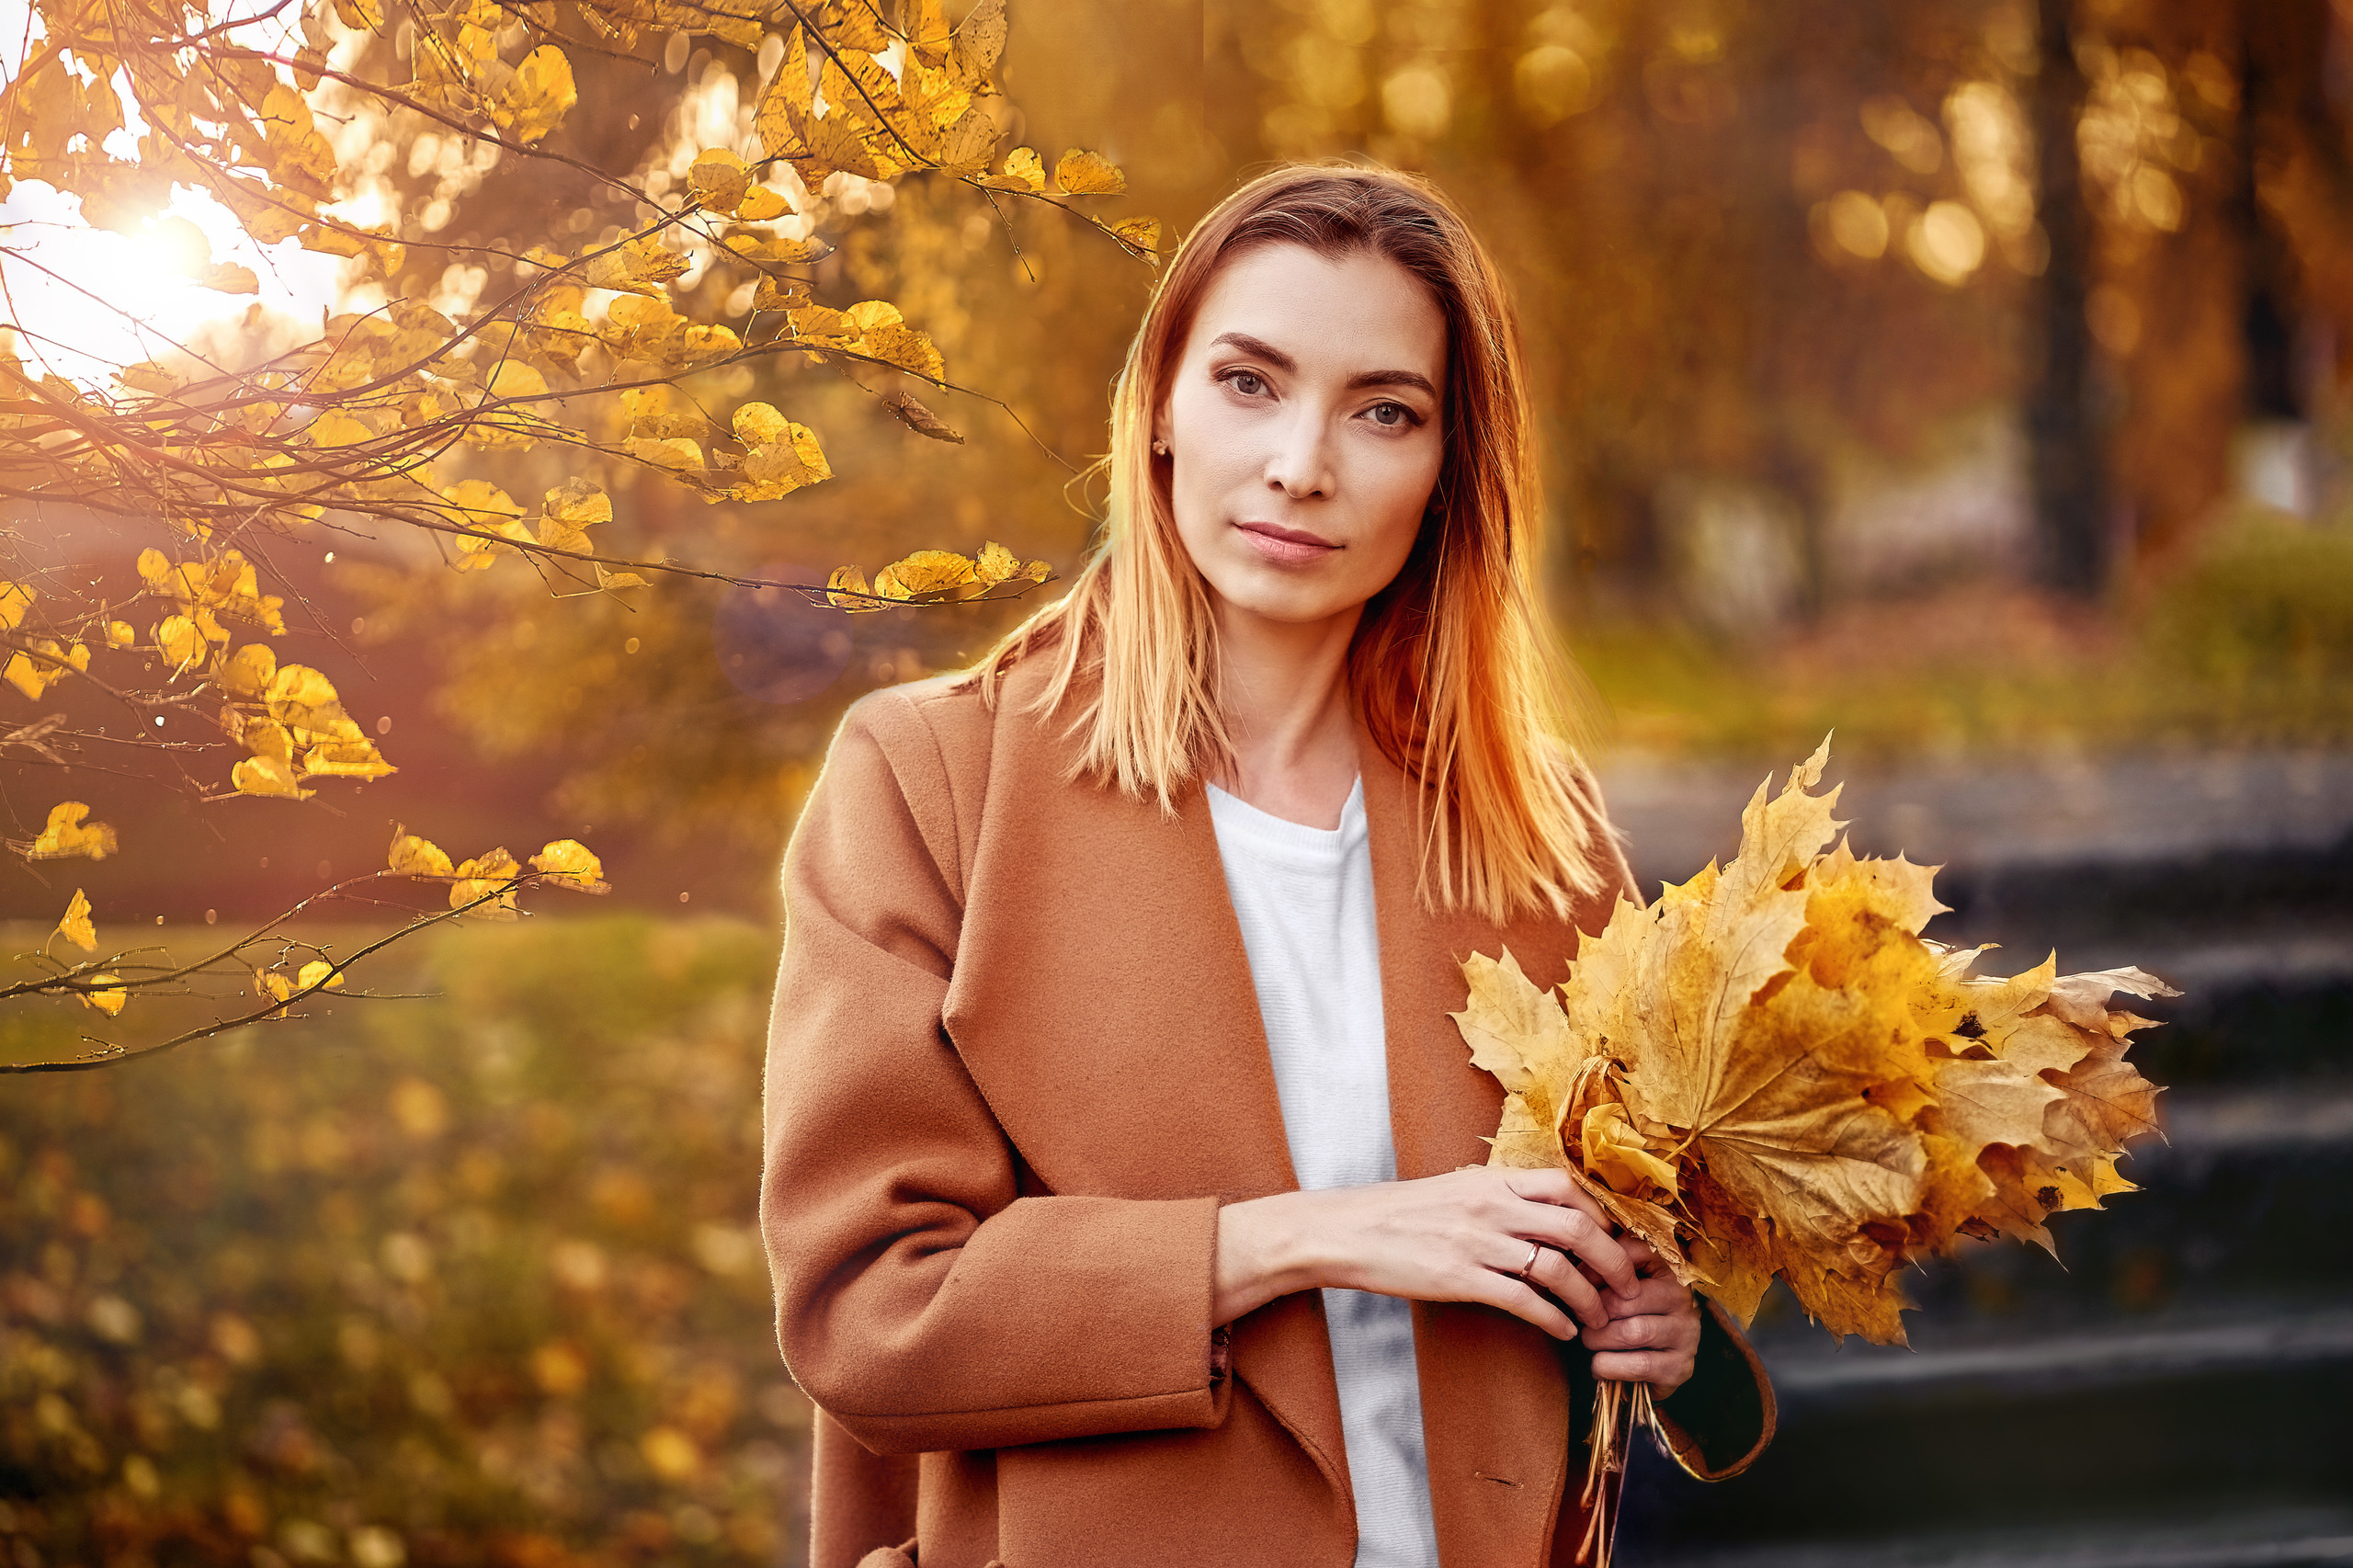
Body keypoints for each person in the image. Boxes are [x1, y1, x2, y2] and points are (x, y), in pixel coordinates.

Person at [760, 162, 1774, 1568]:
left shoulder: (1537, 831)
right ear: (1160, 411)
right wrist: (1313, 1237)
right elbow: (869, 1310)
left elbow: (1644, 1243)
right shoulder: (932, 782)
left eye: (1384, 411)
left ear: (1445, 471)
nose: (1305, 461)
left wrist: (1662, 1324)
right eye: (1250, 382)